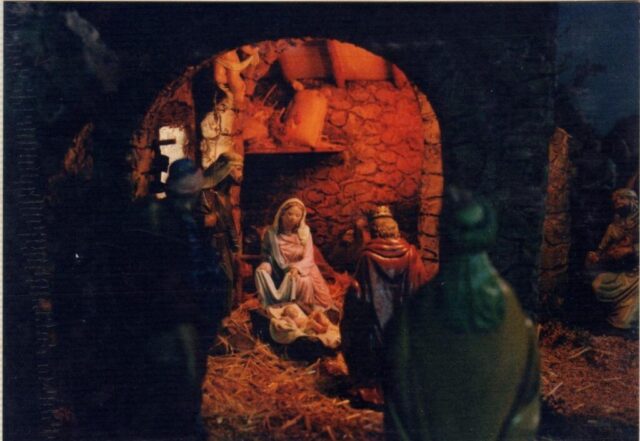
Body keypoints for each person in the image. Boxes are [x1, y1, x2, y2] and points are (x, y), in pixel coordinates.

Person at [124, 158, 223, 438]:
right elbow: (154, 274)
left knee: (190, 374)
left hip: (192, 312)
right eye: (186, 195)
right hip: (172, 316)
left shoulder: (187, 221)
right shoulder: (157, 218)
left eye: (193, 195)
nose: (190, 201)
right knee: (179, 379)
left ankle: (185, 424)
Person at [341, 205, 428, 390]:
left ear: (374, 232)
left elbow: (358, 294)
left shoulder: (367, 256)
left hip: (375, 330)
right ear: (395, 230)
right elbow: (421, 287)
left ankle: (372, 385)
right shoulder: (412, 254)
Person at [254, 198, 333, 309]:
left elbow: (309, 258)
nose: (293, 218)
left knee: (304, 281)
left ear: (301, 218)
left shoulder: (304, 233)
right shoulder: (271, 234)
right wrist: (266, 263)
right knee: (297, 280)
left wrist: (297, 268)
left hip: (304, 268)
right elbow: (267, 254)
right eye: (290, 214)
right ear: (282, 214)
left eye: (297, 215)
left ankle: (304, 310)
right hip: (280, 271)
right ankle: (289, 307)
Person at [586, 188, 639, 329]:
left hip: (638, 275)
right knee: (598, 284)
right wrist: (595, 256)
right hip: (623, 272)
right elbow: (602, 249)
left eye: (622, 198)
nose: (618, 202)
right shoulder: (614, 226)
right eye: (615, 201)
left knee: (625, 320)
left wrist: (630, 250)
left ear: (633, 200)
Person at [198, 151, 244, 316]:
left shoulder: (226, 195)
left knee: (228, 280)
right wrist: (207, 220)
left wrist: (235, 245)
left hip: (223, 245)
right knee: (217, 281)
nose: (240, 174)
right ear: (226, 169)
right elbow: (201, 221)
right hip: (210, 244)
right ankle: (215, 318)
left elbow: (229, 222)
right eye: (238, 169)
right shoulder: (205, 194)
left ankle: (224, 317)